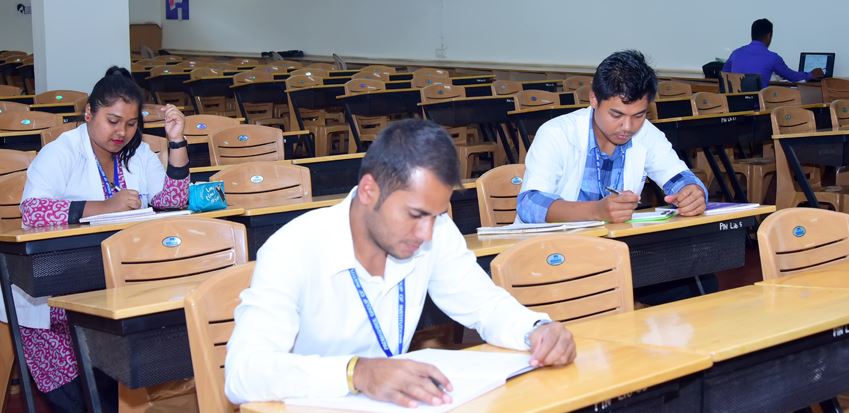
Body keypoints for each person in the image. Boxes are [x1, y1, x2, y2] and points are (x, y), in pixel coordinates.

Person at [225, 119, 576, 407]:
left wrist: (536, 330)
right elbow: (244, 374)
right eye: (415, 214)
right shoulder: (293, 249)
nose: (426, 232)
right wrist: (357, 373)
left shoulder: (434, 230)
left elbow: (483, 304)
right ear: (368, 191)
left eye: (436, 216)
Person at [16, 66, 188, 411]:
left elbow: (173, 200)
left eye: (131, 123)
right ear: (89, 113)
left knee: (136, 370)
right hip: (56, 291)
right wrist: (104, 206)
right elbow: (32, 211)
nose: (121, 132)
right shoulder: (61, 151)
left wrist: (176, 141)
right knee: (85, 398)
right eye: (112, 121)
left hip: (113, 284)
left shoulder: (137, 153)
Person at [516, 50, 707, 225]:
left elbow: (680, 177)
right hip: (550, 251)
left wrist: (693, 193)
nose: (628, 126)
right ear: (594, 99)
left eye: (639, 115)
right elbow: (529, 204)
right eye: (616, 115)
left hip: (611, 248)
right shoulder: (557, 133)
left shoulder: (646, 133)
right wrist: (595, 211)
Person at [723, 18, 824, 89]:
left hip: (735, 107)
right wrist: (811, 75)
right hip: (759, 109)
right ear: (769, 35)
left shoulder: (735, 54)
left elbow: (723, 75)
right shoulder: (772, 58)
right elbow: (792, 76)